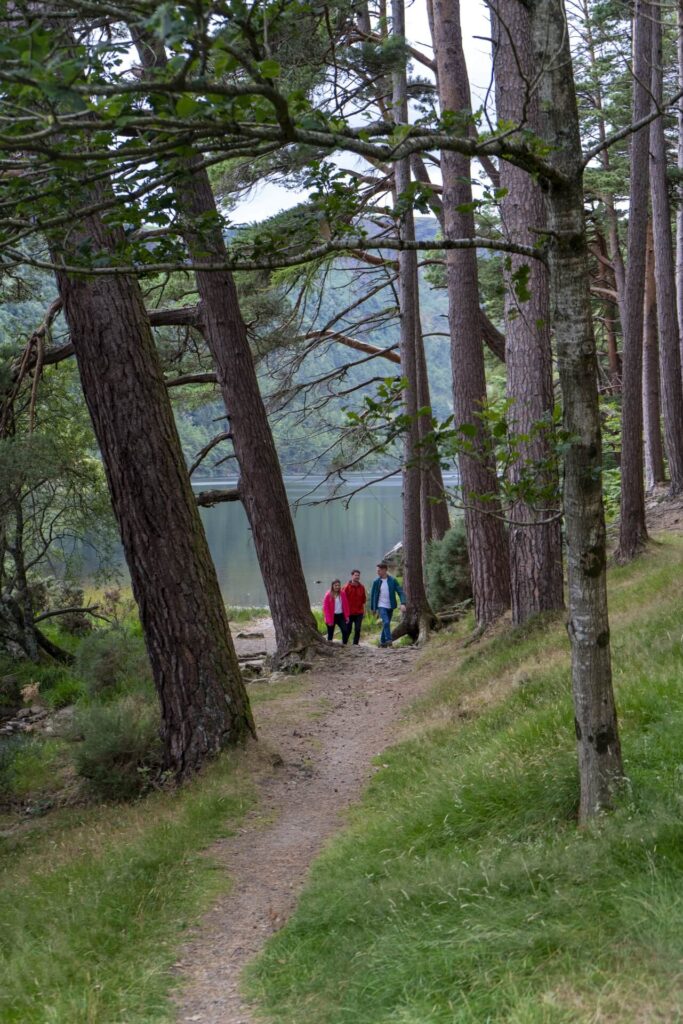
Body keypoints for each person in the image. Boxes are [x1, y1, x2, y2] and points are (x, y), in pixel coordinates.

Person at [370, 562, 406, 648]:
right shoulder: (376, 582)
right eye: (377, 570)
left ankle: (382, 643)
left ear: (384, 570)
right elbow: (373, 595)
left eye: (379, 570)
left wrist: (403, 603)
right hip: (381, 606)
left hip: (390, 606)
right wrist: (373, 608)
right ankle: (389, 640)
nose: (377, 572)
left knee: (386, 623)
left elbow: (400, 592)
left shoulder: (392, 580)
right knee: (386, 622)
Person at [342, 569, 367, 646]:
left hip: (359, 612)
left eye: (358, 575)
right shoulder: (346, 587)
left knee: (357, 629)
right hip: (349, 613)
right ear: (352, 576)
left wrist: (364, 610)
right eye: (355, 575)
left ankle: (355, 644)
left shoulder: (362, 587)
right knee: (348, 630)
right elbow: (342, 600)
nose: (357, 577)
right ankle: (344, 643)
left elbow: (364, 599)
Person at [322, 579, 350, 643]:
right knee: (330, 633)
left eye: (338, 585)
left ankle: (344, 644)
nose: (337, 587)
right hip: (332, 616)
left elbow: (346, 605)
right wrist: (328, 620)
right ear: (332, 586)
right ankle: (329, 645)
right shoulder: (328, 595)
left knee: (345, 630)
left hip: (341, 616)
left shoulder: (342, 593)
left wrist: (347, 616)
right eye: (335, 585)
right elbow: (326, 609)